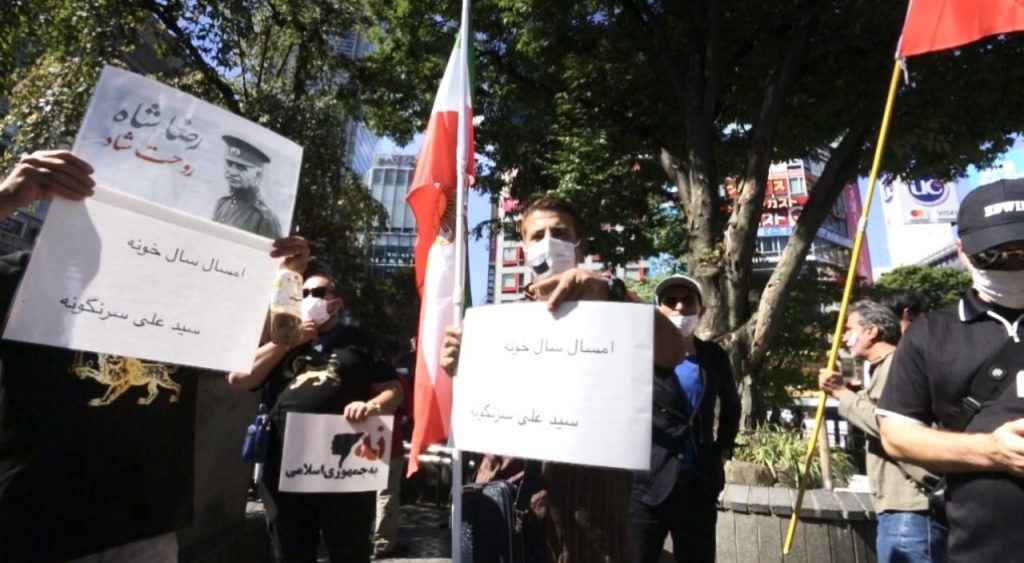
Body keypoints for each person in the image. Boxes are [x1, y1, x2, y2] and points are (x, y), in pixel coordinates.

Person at [0, 149, 309, 562]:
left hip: (146, 525)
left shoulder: (181, 301)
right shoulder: (23, 275)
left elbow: (246, 366)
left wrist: (284, 277)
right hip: (39, 523)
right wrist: (9, 197)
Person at [441, 195, 686, 562]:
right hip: (507, 506)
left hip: (590, 516)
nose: (547, 242)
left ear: (579, 245)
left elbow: (673, 351)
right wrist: (458, 367)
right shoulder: (496, 327)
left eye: (559, 233)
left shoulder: (614, 311)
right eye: (537, 235)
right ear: (523, 250)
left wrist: (613, 292)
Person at [878, 178, 1024, 563]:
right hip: (980, 549)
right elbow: (896, 434)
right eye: (994, 255)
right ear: (963, 251)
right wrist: (991, 451)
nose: (1013, 265)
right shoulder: (930, 333)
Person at [227, 274, 403, 563]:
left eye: (318, 292)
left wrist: (371, 406)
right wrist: (286, 341)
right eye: (302, 293)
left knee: (348, 550)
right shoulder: (280, 339)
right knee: (291, 550)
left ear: (336, 302)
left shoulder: (362, 342)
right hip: (286, 466)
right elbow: (239, 378)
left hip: (345, 468)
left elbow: (393, 393)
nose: (309, 298)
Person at [819, 300, 946, 563]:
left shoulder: (897, 365)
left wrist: (841, 394)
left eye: (849, 329)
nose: (843, 338)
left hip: (910, 507)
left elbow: (890, 425)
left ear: (872, 331)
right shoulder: (886, 368)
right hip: (900, 507)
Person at [630, 274, 740, 563]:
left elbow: (731, 406)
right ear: (659, 310)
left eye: (687, 300)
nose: (679, 307)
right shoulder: (640, 355)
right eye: (670, 301)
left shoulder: (714, 356)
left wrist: (723, 449)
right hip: (647, 486)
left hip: (698, 486)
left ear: (701, 310)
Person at [213, 135, 282, 239]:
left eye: (241, 167)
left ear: (258, 175)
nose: (231, 172)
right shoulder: (222, 203)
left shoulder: (264, 218)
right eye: (229, 164)